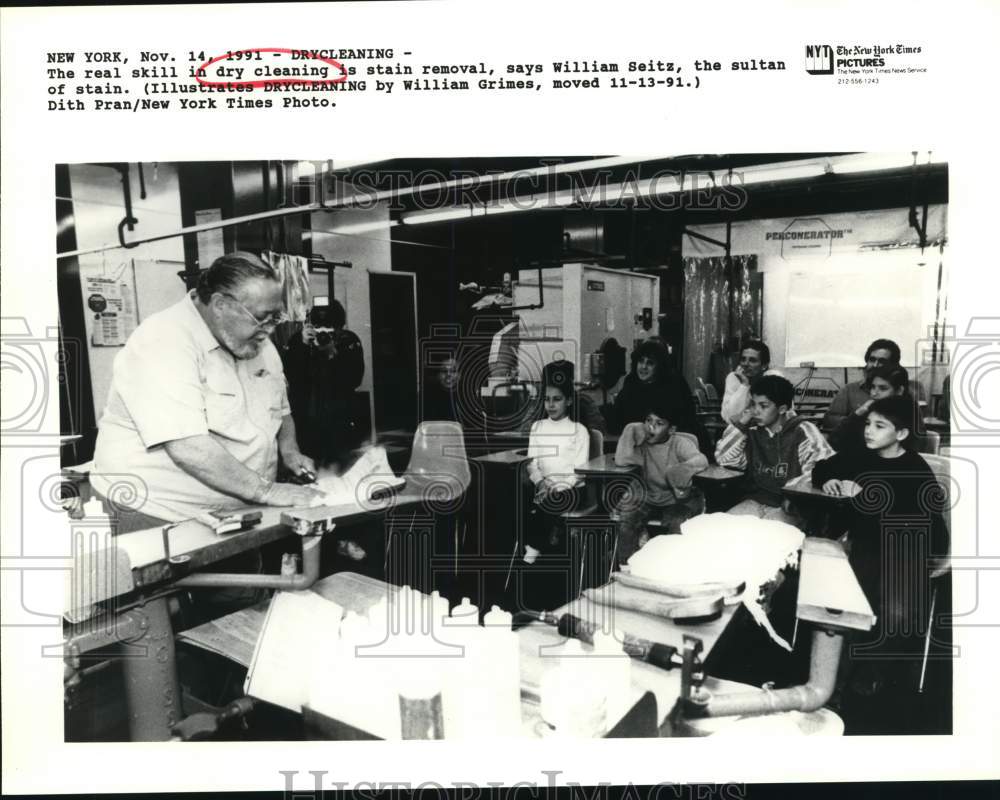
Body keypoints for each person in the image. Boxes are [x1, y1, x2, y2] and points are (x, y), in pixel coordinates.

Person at [91, 251, 324, 533]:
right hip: (157, 512)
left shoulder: (259, 344)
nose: (269, 331)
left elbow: (280, 409)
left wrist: (290, 450)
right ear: (220, 304)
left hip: (238, 509)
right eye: (263, 318)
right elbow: (188, 446)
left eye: (276, 318)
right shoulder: (162, 342)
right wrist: (267, 491)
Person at [811, 396, 949, 732]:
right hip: (867, 547)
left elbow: (926, 528)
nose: (868, 431)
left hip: (908, 549)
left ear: (901, 434)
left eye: (879, 426)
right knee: (844, 607)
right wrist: (828, 480)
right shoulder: (860, 455)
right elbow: (824, 468)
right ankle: (831, 688)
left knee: (896, 614)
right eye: (868, 423)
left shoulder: (915, 469)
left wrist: (864, 499)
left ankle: (869, 676)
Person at [714, 374, 833, 527]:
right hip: (754, 500)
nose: (755, 411)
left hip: (792, 506)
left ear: (782, 408)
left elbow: (821, 469)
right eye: (753, 404)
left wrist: (792, 495)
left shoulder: (802, 430)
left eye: (763, 406)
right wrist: (741, 425)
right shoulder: (751, 429)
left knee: (770, 535)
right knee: (726, 527)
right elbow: (725, 459)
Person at [613, 398, 708, 561]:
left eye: (659, 423)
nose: (651, 427)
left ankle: (671, 566)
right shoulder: (641, 444)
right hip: (649, 498)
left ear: (671, 429)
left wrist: (680, 471)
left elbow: (701, 460)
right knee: (625, 521)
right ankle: (627, 567)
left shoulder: (679, 443)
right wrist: (629, 431)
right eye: (648, 421)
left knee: (678, 524)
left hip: (677, 500)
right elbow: (622, 459)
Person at [281, 298, 365, 471]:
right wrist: (303, 346)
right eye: (319, 328)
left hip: (339, 419)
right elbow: (289, 376)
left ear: (340, 327)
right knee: (308, 468)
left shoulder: (348, 341)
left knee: (342, 470)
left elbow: (355, 379)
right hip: (306, 420)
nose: (323, 334)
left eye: (330, 329)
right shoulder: (299, 341)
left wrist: (333, 355)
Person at [522, 380, 590, 564]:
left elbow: (580, 472)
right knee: (516, 495)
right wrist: (541, 483)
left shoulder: (579, 431)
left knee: (551, 501)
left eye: (557, 399)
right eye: (547, 400)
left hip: (573, 489)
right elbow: (531, 463)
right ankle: (540, 541)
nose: (550, 405)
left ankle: (533, 548)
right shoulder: (538, 427)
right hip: (544, 486)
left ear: (568, 401)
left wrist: (558, 487)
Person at [607, 338, 698, 437]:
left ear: (659, 367)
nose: (643, 367)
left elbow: (685, 421)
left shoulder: (674, 383)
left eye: (650, 363)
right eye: (641, 361)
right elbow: (617, 419)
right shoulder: (631, 382)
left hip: (671, 442)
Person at [827, 364, 911, 454]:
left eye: (883, 388)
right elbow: (834, 442)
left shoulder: (910, 414)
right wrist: (857, 414)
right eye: (873, 387)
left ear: (899, 391)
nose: (874, 393)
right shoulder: (869, 413)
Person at [822, 338, 903, 430]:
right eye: (872, 360)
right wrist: (859, 419)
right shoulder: (849, 390)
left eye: (882, 361)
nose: (875, 365)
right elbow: (829, 420)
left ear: (894, 365)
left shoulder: (906, 389)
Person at [720, 340, 782, 425]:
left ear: (764, 365)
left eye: (752, 360)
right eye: (743, 359)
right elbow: (730, 417)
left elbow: (778, 414)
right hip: (742, 429)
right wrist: (744, 385)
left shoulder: (774, 377)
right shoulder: (733, 377)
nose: (746, 364)